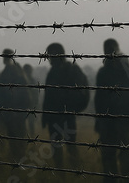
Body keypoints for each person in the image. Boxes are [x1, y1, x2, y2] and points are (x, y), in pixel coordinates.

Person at [94, 39, 129, 181]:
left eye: (110, 48)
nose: (108, 51)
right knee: (113, 156)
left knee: (122, 155)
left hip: (120, 118)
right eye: (106, 48)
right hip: (112, 118)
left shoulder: (125, 71)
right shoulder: (105, 72)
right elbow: (99, 97)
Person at [42, 43, 89, 171]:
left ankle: (76, 172)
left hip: (67, 116)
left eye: (51, 55)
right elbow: (48, 95)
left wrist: (72, 108)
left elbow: (81, 91)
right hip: (55, 117)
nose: (49, 59)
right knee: (57, 147)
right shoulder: (53, 72)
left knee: (70, 146)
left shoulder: (71, 69)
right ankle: (61, 173)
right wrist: (45, 116)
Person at [0, 49, 30, 160]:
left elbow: (19, 92)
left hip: (15, 109)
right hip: (13, 109)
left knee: (17, 134)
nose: (3, 59)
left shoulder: (13, 71)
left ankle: (19, 157)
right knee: (14, 134)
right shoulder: (14, 70)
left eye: (5, 57)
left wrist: (14, 109)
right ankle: (17, 156)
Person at [23, 63, 39, 137]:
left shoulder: (32, 80)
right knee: (23, 123)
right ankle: (26, 136)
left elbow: (36, 94)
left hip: (31, 105)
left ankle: (31, 136)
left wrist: (35, 103)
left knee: (31, 123)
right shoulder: (22, 81)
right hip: (24, 105)